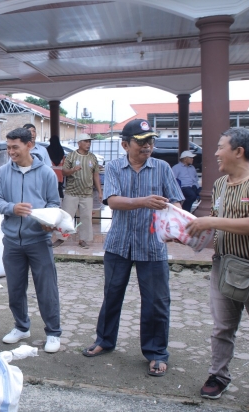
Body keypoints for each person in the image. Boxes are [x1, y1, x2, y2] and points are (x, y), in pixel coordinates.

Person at [186, 128, 249, 412]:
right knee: (222, 328)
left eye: (220, 147)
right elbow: (217, 226)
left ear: (238, 151)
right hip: (225, 264)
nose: (215, 153)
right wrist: (189, 233)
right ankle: (219, 375)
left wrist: (211, 223)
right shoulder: (220, 185)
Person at [82, 120, 183, 379]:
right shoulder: (115, 167)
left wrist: (175, 221)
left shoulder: (162, 168)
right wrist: (144, 202)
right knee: (112, 294)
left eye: (150, 140)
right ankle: (105, 340)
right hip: (119, 244)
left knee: (156, 301)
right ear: (125, 144)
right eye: (141, 141)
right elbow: (113, 201)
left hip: (152, 246)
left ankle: (156, 352)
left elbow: (177, 201)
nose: (148, 145)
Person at [0, 128, 62, 353]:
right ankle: (21, 327)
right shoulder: (2, 173)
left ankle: (53, 332)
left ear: (29, 145)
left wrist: (47, 219)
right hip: (12, 241)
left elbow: (54, 203)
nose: (11, 152)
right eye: (8, 147)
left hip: (39, 240)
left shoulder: (46, 173)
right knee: (15, 288)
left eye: (15, 147)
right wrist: (13, 208)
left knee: (46, 289)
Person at [55, 133, 102, 249]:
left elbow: (96, 175)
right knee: (66, 217)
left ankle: (83, 240)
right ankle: (61, 238)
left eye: (89, 142)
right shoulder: (71, 156)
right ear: (79, 143)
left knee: (86, 218)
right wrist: (73, 170)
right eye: (85, 141)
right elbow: (64, 172)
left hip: (87, 193)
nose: (88, 144)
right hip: (71, 192)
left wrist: (100, 192)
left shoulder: (92, 157)